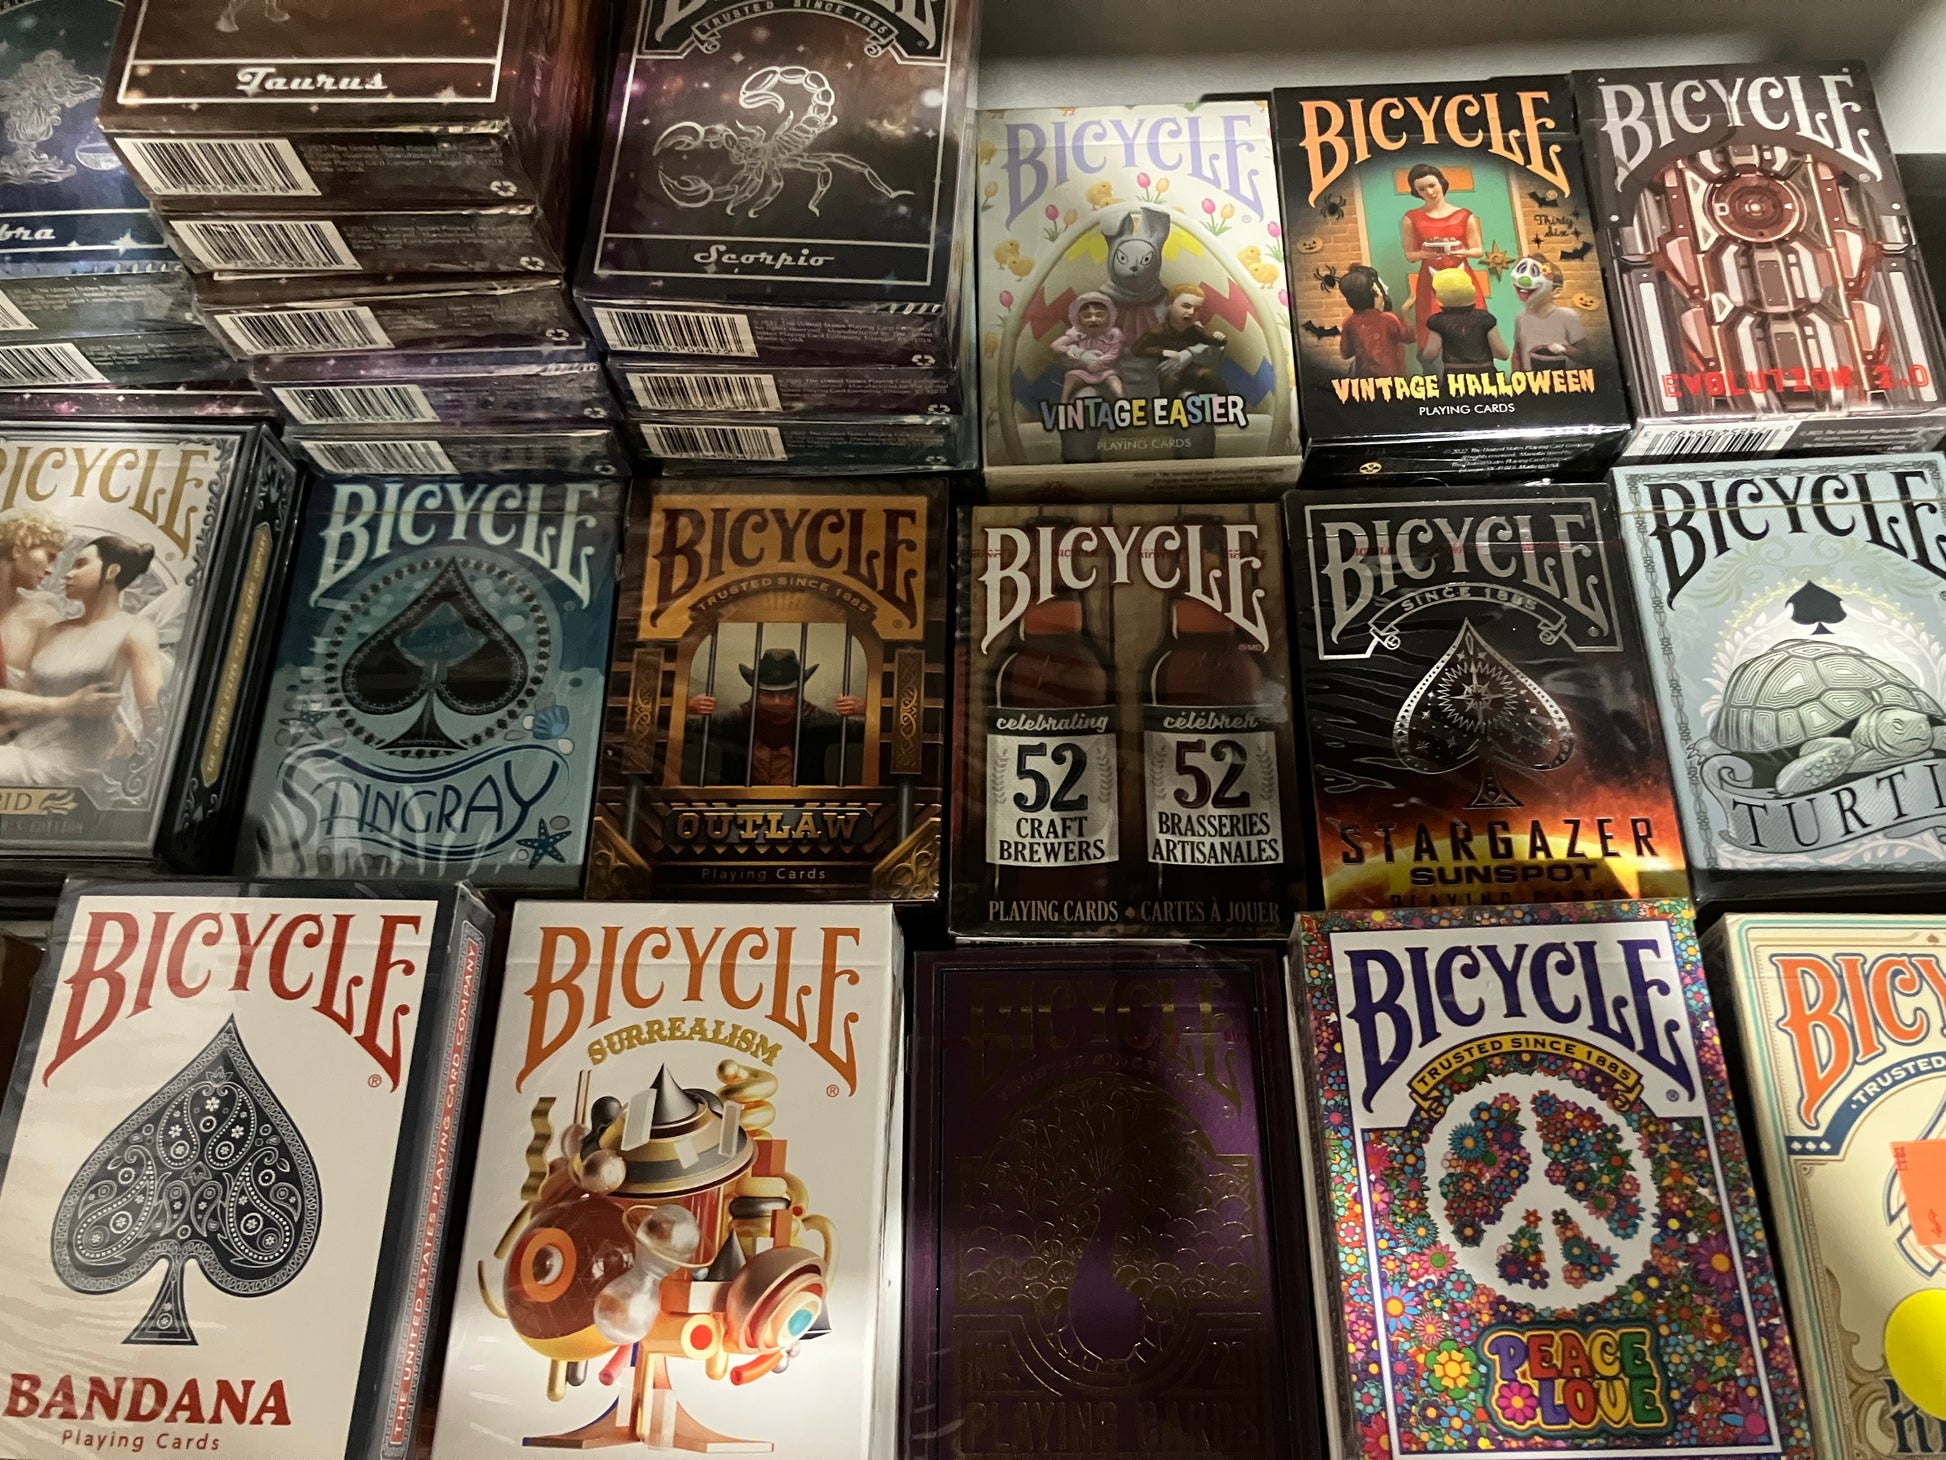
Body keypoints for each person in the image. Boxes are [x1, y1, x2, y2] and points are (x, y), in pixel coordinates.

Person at [0, 535, 164, 787]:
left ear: (112, 571)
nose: (67, 574)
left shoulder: (135, 630)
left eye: (80, 565)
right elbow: (22, 707)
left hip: (73, 763)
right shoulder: (52, 631)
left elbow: (153, 711)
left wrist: (135, 749)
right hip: (21, 751)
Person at [683, 645, 865, 787]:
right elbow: (676, 732)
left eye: (786, 694)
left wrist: (866, 709)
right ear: (756, 693)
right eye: (768, 694)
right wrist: (684, 707)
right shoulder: (736, 720)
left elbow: (870, 734)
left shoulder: (815, 721)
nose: (777, 701)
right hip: (739, 810)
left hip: (804, 811)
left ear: (798, 693)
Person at [1400, 163, 1485, 353]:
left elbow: (1478, 250)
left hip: (1463, 279)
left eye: (1432, 185)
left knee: (1470, 324)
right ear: (1416, 192)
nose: (1429, 192)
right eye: (1422, 189)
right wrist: (1425, 253)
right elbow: (1410, 255)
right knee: (1433, 325)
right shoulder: (1411, 218)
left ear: (1441, 183)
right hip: (1430, 281)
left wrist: (1461, 252)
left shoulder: (1464, 215)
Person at [0, 506, 66, 690]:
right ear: (18, 550)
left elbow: (57, 696)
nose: (50, 570)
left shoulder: (44, 620)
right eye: (49, 556)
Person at [1129, 282, 1229, 398]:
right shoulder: (1159, 332)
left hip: (1190, 370)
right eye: (1186, 306)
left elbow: (1209, 339)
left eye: (1197, 309)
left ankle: (1228, 404)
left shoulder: (1195, 330)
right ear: (1170, 306)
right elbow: (1137, 349)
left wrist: (1218, 338)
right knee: (1172, 382)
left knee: (1208, 376)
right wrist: (1163, 352)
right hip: (1169, 372)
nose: (1191, 312)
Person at [1419, 266, 1507, 381]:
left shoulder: (1438, 322)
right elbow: (1503, 354)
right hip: (1485, 376)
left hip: (1455, 377)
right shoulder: (1484, 318)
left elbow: (1430, 354)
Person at [1510, 254, 1589, 371]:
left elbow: (1586, 356)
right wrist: (1516, 377)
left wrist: (1564, 349)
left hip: (1563, 377)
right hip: (1531, 379)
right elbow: (1517, 354)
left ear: (1556, 292)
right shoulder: (1521, 318)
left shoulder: (1568, 316)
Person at [1337, 265, 1412, 377]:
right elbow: (1409, 336)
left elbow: (1346, 353)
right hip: (1393, 378)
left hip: (1365, 380)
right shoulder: (1388, 319)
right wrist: (1404, 312)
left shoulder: (1349, 322)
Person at [1053, 291, 1126, 403]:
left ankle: (1124, 401)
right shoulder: (1077, 333)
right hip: (1084, 371)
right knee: (1070, 379)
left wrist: (1100, 362)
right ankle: (1064, 403)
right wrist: (1075, 351)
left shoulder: (1113, 334)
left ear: (1109, 317)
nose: (1093, 319)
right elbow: (1055, 345)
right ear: (1078, 319)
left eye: (1099, 315)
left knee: (1114, 381)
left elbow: (1115, 352)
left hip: (1105, 370)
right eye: (1087, 316)